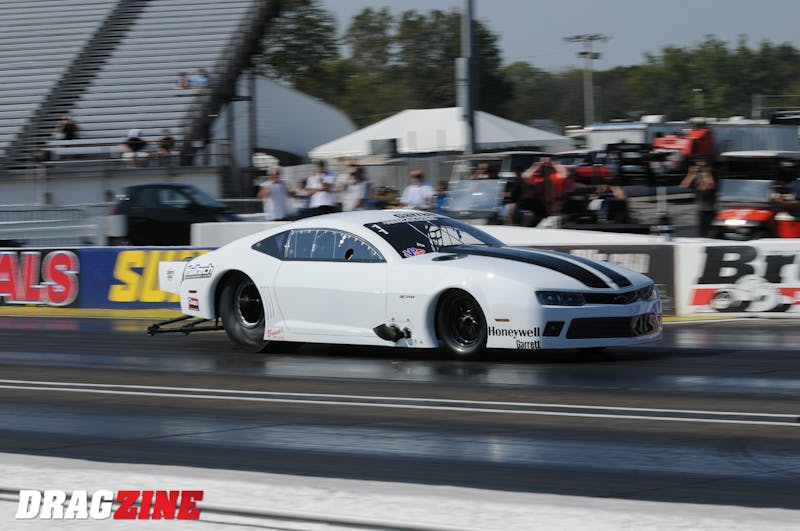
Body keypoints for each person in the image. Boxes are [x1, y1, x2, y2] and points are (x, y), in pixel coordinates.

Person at [680, 158, 717, 237]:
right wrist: (690, 174)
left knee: (713, 233)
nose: (700, 168)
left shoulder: (712, 174)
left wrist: (707, 173)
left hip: (712, 208)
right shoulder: (697, 176)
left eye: (703, 166)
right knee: (702, 233)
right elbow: (684, 185)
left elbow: (710, 186)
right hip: (701, 209)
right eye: (698, 165)